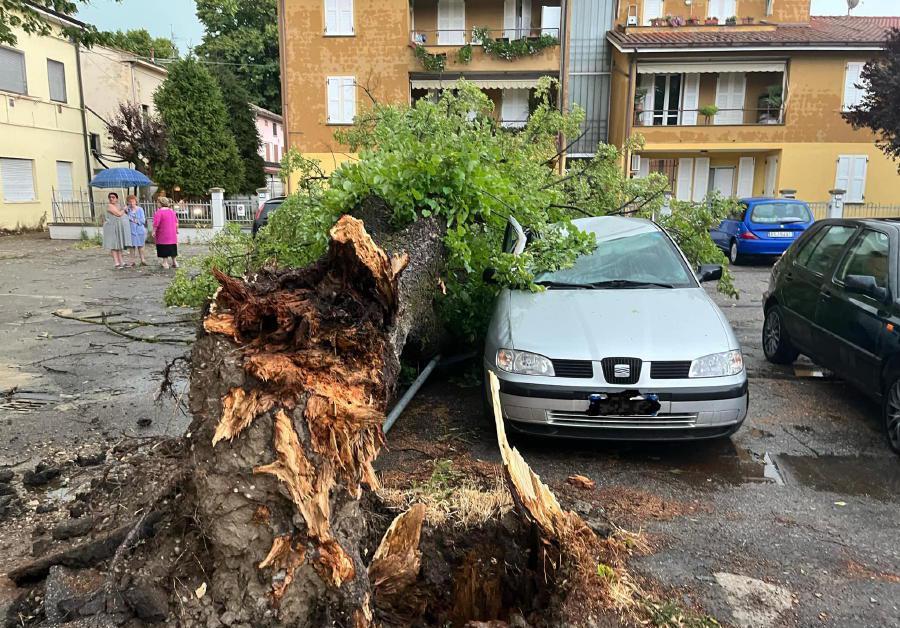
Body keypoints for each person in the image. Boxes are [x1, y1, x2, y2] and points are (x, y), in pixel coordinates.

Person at [102, 192, 131, 268]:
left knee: (119, 244)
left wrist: (125, 209)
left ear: (117, 198)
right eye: (110, 197)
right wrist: (124, 210)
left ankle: (122, 262)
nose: (111, 199)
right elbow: (118, 214)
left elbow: (124, 214)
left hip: (118, 227)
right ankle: (116, 263)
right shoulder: (109, 206)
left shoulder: (119, 205)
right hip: (111, 227)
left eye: (113, 197)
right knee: (114, 245)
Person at [152, 197, 179, 269]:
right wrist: (176, 230)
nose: (157, 204)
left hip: (162, 234)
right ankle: (174, 262)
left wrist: (154, 231)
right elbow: (176, 222)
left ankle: (165, 263)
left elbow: (156, 223)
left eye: (157, 202)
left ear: (161, 203)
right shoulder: (172, 211)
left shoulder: (159, 212)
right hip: (172, 234)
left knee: (163, 248)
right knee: (172, 248)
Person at [125, 195, 147, 267]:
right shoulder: (127, 210)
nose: (131, 203)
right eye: (129, 202)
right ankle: (132, 261)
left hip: (140, 230)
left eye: (133, 201)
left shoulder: (140, 209)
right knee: (132, 246)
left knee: (141, 246)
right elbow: (124, 219)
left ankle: (143, 260)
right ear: (127, 202)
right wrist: (125, 212)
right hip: (131, 230)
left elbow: (143, 220)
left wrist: (134, 220)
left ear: (136, 201)